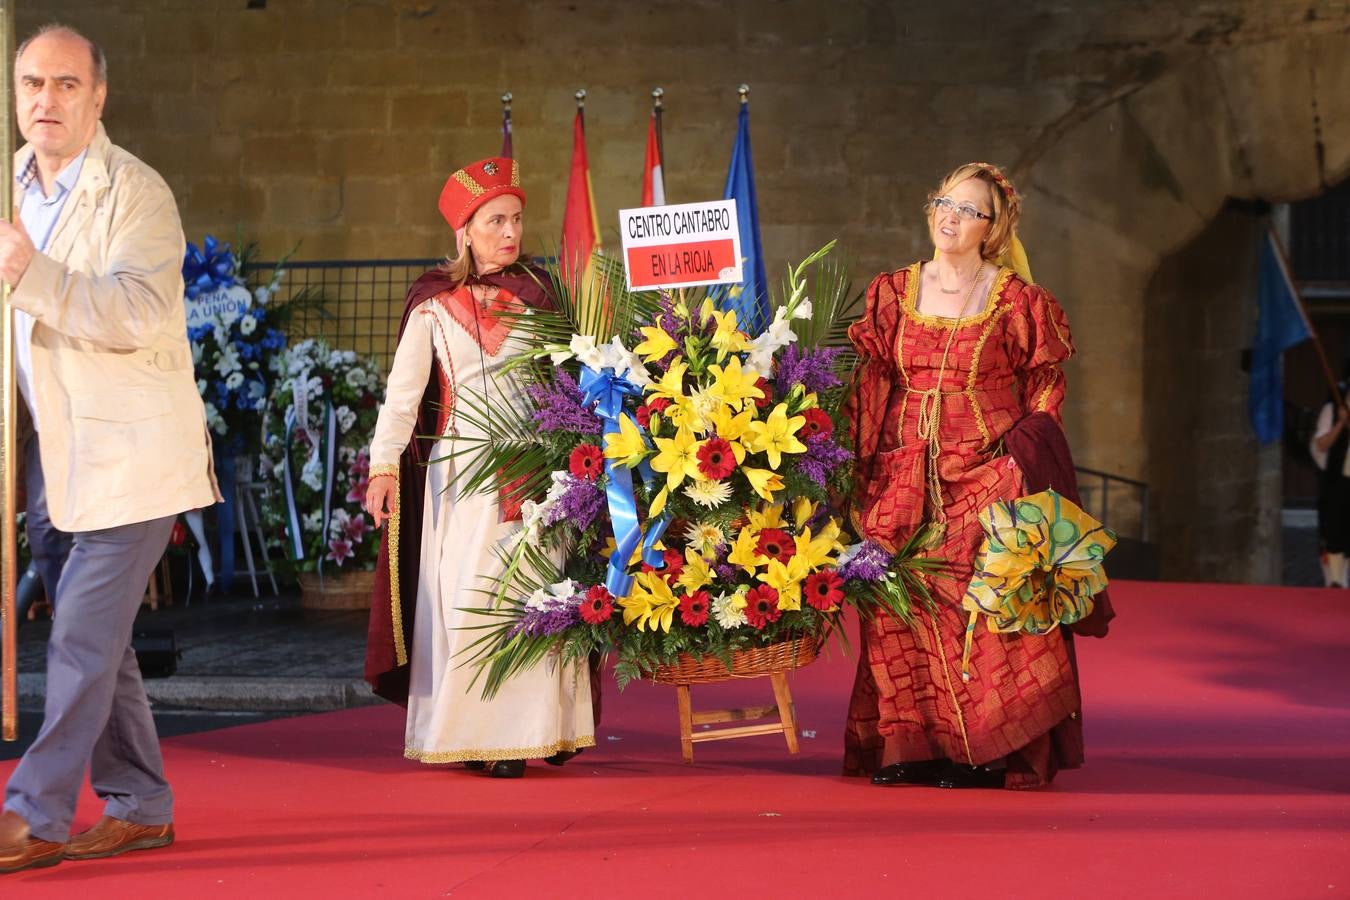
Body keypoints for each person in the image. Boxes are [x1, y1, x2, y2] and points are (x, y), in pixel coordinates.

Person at [0, 25, 220, 873]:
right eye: (31, 84)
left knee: (80, 642)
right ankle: (140, 804)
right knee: (108, 648)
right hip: (53, 459)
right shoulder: (11, 189)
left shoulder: (137, 193)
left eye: (64, 85)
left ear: (98, 98)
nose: (45, 101)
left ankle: (34, 815)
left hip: (133, 459)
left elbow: (134, 313)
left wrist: (34, 273)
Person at [844, 162, 1112, 790]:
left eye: (968, 209)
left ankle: (988, 749)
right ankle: (913, 745)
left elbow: (1045, 382)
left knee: (983, 613)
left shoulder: (1017, 301)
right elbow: (872, 380)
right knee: (898, 609)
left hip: (988, 472)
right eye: (943, 202)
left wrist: (1025, 458)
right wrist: (856, 466)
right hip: (901, 471)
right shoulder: (892, 292)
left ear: (994, 228)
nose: (950, 216)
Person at [363, 157, 594, 778]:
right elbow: (403, 393)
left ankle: (533, 733)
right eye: (496, 220)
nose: (510, 231)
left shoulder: (541, 295)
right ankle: (477, 735)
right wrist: (383, 466)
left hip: (534, 467)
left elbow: (573, 383)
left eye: (517, 218)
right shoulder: (432, 304)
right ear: (464, 229)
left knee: (532, 595)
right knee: (470, 596)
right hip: (461, 473)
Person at [1309, 373, 1350, 587]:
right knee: (1335, 534)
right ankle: (1336, 582)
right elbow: (1322, 444)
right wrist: (1341, 423)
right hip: (1339, 483)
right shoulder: (1332, 410)